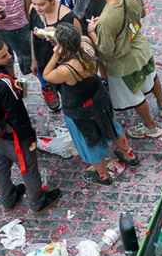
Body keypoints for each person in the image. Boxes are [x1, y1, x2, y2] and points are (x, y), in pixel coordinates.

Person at [42, 25, 138, 186]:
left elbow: (47, 75)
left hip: (79, 110)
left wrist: (55, 55)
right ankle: (130, 156)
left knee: (90, 141)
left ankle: (103, 176)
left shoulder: (67, 69)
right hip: (99, 98)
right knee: (111, 127)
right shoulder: (86, 43)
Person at [0, 38, 61, 213]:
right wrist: (29, 137)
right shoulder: (2, 83)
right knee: (29, 168)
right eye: (3, 56)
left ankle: (8, 199)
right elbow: (17, 114)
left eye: (8, 51)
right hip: (12, 135)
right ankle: (38, 201)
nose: (9, 56)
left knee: (0, 165)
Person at [86, 0, 162, 138]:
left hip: (123, 64)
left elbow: (107, 53)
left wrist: (91, 32)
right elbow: (143, 14)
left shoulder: (106, 20)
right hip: (140, 49)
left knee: (133, 97)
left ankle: (151, 127)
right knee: (150, 76)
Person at [29, 0, 80, 112]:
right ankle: (49, 92)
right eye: (34, 4)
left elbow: (79, 42)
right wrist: (33, 59)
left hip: (63, 60)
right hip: (42, 57)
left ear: (52, 0)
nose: (37, 8)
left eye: (41, 4)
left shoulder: (68, 17)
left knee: (68, 90)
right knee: (45, 80)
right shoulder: (33, 10)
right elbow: (32, 33)